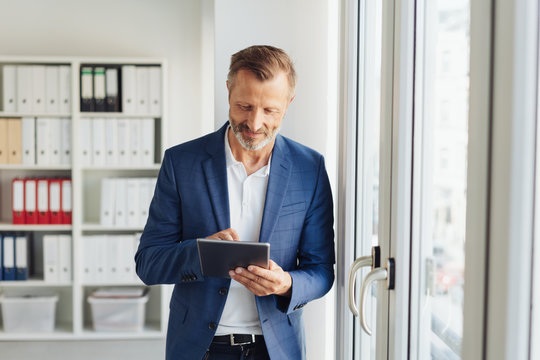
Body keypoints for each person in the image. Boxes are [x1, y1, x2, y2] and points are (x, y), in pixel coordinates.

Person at [135, 45, 335, 360]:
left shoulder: (309, 169)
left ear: (288, 103)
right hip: (199, 349)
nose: (255, 124)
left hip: (276, 349)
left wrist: (285, 283)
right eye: (244, 106)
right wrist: (200, 253)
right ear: (228, 91)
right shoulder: (181, 163)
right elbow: (148, 263)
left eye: (270, 110)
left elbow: (322, 271)